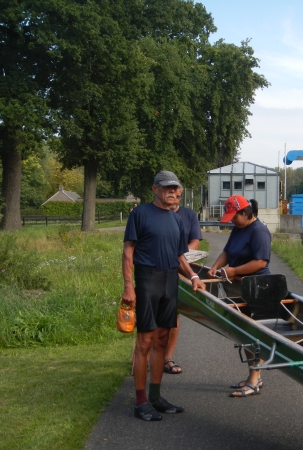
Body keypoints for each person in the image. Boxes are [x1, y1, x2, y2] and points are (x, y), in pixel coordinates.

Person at [122, 171, 206, 421]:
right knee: (145, 341)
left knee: (161, 339)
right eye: (167, 187)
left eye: (175, 187)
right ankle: (140, 401)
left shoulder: (177, 219)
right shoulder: (140, 214)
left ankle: (156, 397)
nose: (172, 191)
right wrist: (128, 286)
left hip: (170, 281)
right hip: (148, 280)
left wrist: (192, 276)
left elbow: (180, 256)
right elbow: (128, 252)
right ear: (155, 189)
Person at [207, 195, 271, 397]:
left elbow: (261, 262)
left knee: (250, 333)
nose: (232, 221)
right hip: (239, 286)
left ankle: (254, 379)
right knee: (242, 331)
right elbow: (227, 251)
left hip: (256, 288)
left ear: (245, 213)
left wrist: (234, 271)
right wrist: (216, 266)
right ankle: (253, 376)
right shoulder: (239, 228)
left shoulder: (259, 231)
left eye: (234, 217)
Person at [163, 188, 202, 374]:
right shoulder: (152, 214)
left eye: (178, 196)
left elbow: (195, 241)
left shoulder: (189, 215)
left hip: (180, 270)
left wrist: (182, 258)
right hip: (157, 271)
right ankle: (143, 357)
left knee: (174, 314)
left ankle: (166, 358)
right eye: (172, 195)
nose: (175, 199)